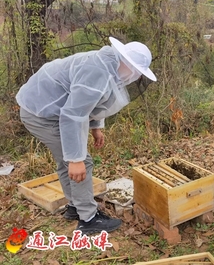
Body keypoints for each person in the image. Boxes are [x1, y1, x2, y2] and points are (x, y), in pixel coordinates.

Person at [16, 37, 157, 234]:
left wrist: (96, 127)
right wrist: (76, 159)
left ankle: (75, 206)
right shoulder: (97, 71)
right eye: (135, 71)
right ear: (127, 63)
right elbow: (72, 114)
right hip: (41, 113)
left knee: (70, 161)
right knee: (80, 163)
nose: (133, 76)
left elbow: (91, 103)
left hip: (52, 109)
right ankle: (89, 219)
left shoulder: (106, 65)